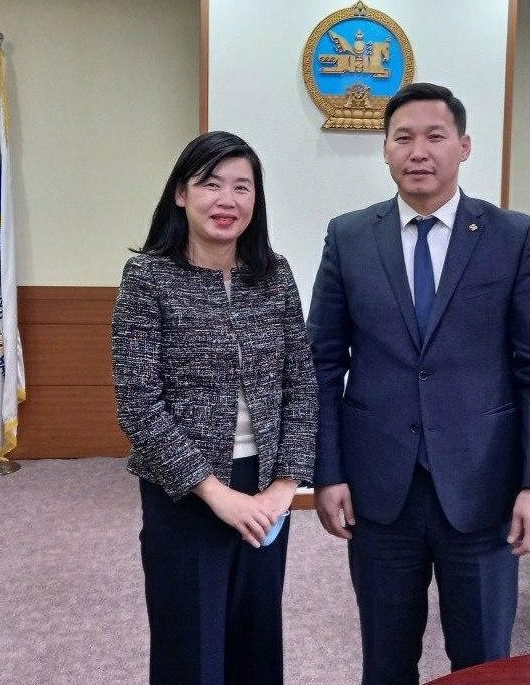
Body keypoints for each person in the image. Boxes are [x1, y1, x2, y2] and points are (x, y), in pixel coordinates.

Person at [308, 83, 530, 683]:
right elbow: (322, 363)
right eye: (403, 138)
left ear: (464, 146)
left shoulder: (512, 236)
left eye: (435, 136)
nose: (418, 151)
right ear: (385, 150)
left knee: (483, 665)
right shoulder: (349, 237)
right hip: (379, 489)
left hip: (483, 488)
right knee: (385, 661)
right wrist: (328, 471)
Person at [111, 131, 317, 685]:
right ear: (181, 194)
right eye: (210, 184)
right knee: (191, 652)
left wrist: (284, 486)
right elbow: (139, 405)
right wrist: (216, 493)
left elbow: (301, 384)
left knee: (257, 644)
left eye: (242, 187)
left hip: (265, 489)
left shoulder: (274, 275)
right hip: (185, 492)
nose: (227, 200)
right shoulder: (148, 278)